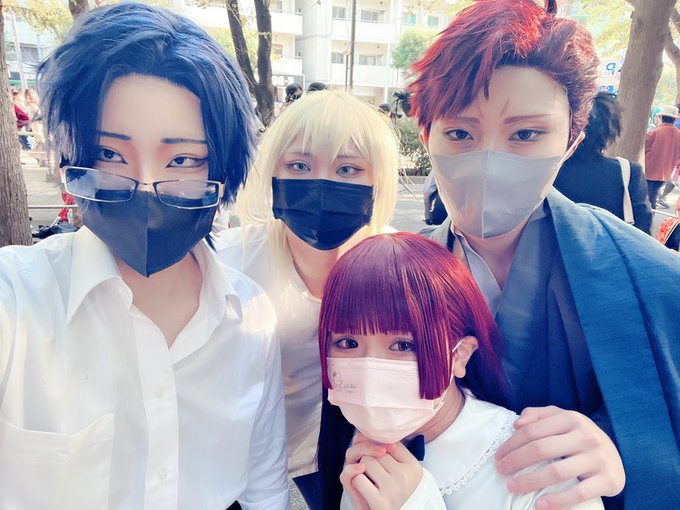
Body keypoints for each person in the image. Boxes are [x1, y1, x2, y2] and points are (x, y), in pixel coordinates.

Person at [0, 4, 288, 509]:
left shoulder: (251, 317)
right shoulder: (15, 302)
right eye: (111, 154)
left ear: (221, 170)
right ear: (74, 154)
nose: (147, 187)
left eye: (183, 159)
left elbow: (265, 490)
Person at [401, 0, 678, 509]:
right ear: (426, 135)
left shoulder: (655, 279)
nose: (489, 160)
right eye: (460, 133)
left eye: (526, 134)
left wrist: (622, 451)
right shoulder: (397, 279)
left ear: (570, 141)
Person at [318, 232, 603, 509]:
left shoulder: (537, 466)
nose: (371, 375)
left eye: (404, 345)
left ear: (460, 354)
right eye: (348, 342)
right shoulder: (354, 444)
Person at [215, 89, 399, 509]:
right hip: (243, 448)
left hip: (346, 445)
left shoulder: (397, 267)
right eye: (299, 165)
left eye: (348, 168)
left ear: (377, 179)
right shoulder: (227, 263)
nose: (322, 184)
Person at [554, 92, 652, 234]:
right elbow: (643, 227)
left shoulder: (549, 170)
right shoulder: (628, 172)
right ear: (612, 129)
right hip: (610, 247)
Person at [644, 104, 680, 209]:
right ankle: (651, 214)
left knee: (647, 196)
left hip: (649, 170)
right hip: (666, 172)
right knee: (653, 195)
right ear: (675, 119)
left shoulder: (655, 132)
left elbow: (644, 147)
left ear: (661, 117)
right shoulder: (678, 134)